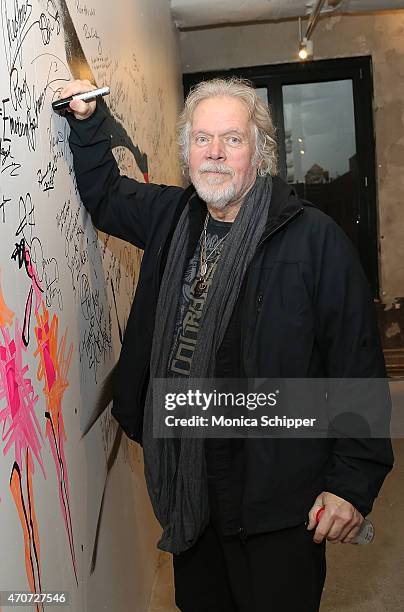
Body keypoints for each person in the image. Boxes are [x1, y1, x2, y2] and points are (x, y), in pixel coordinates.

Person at [60, 77, 393, 612]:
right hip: (191, 487)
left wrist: (351, 483)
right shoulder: (170, 217)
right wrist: (87, 121)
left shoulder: (314, 240)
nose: (214, 153)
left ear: (259, 151)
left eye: (232, 139)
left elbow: (357, 367)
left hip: (279, 493)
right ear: (186, 149)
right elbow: (106, 196)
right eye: (201, 138)